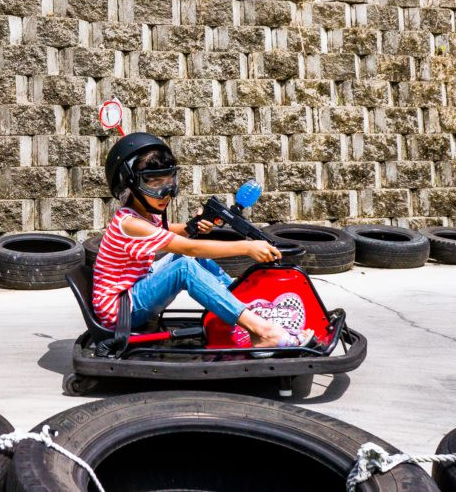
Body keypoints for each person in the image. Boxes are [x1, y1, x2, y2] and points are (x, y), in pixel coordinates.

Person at [93, 132, 314, 349]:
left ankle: (249, 309)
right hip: (120, 311)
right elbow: (191, 247)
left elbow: (169, 231)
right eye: (154, 184)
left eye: (169, 181)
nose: (166, 192)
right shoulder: (130, 224)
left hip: (134, 290)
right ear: (128, 185)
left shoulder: (142, 216)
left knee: (187, 259)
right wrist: (247, 247)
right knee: (185, 267)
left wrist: (193, 224)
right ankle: (263, 332)